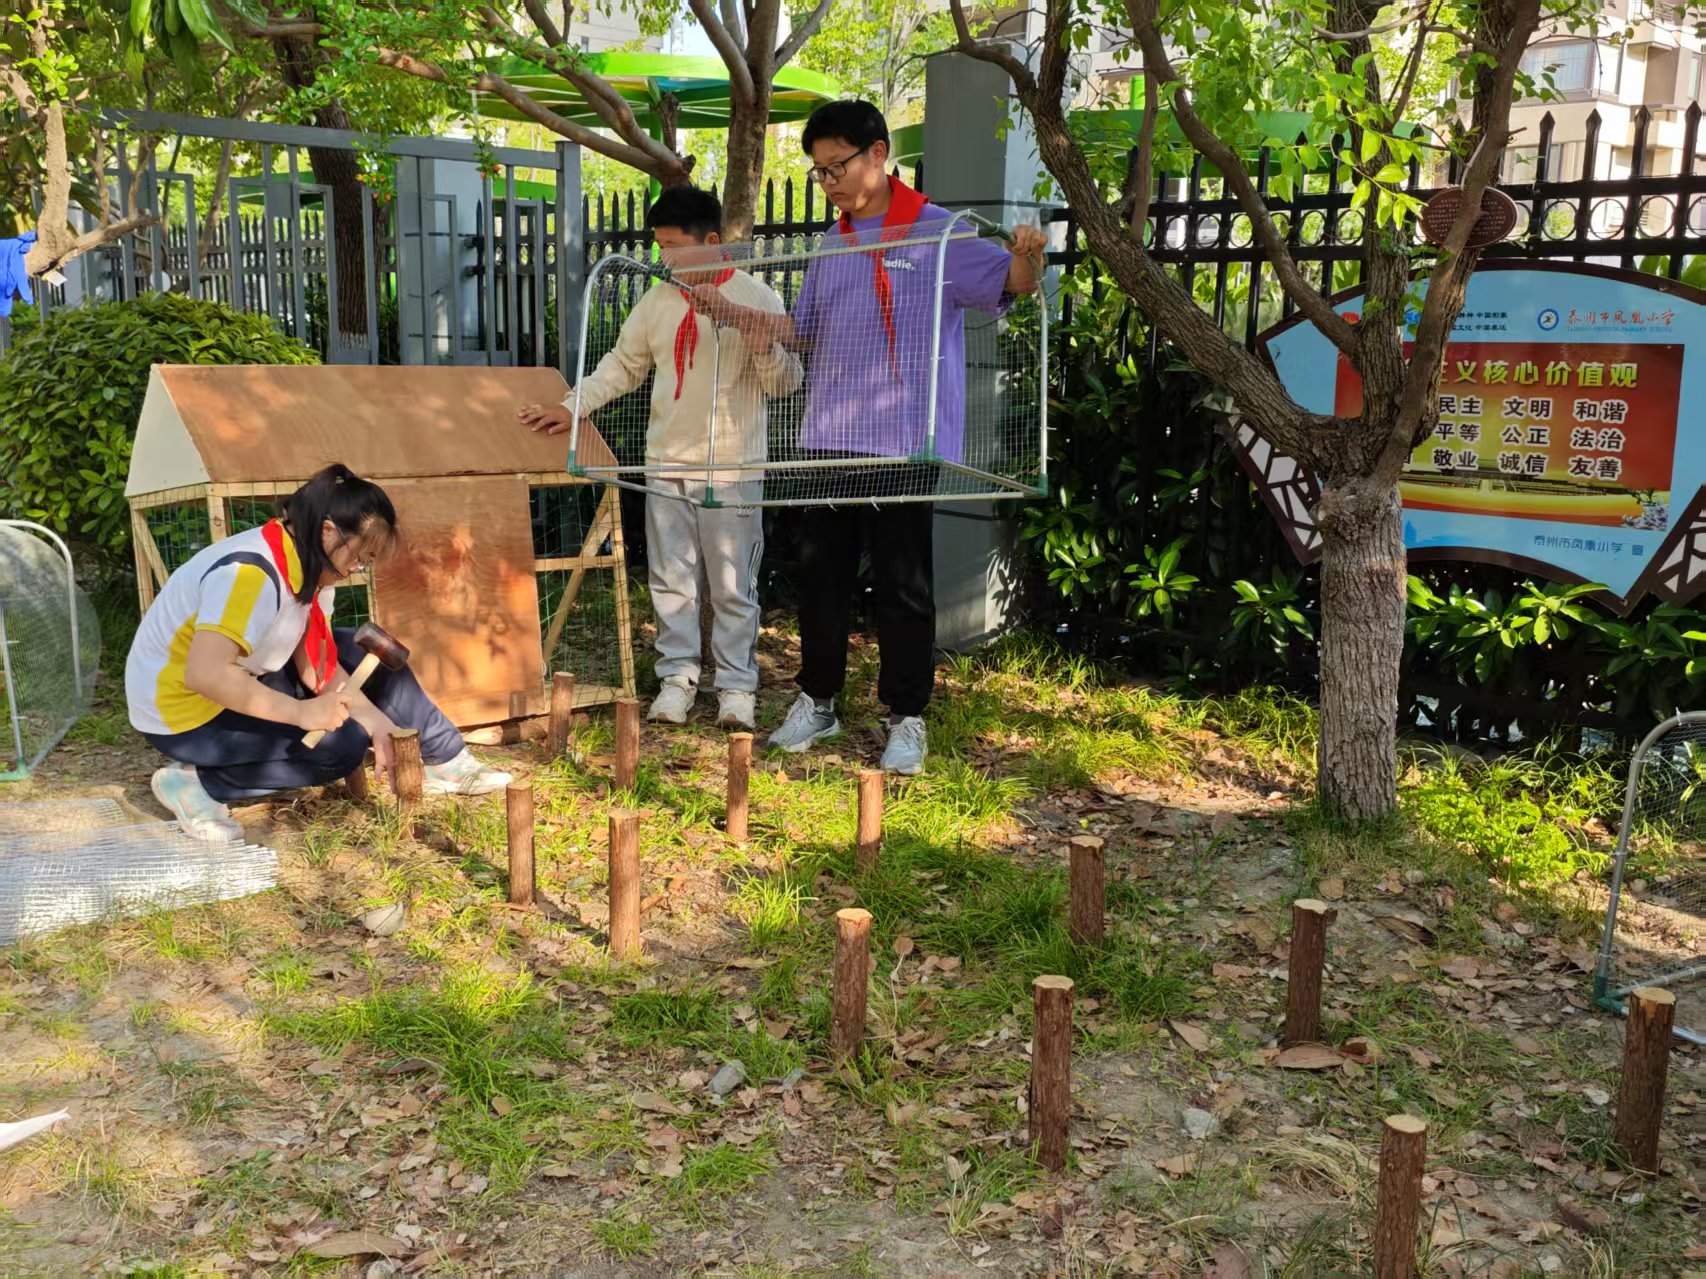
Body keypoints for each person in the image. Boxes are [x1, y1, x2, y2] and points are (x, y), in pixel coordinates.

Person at [690, 99, 1046, 774]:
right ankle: (817, 700)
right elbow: (805, 332)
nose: (830, 182)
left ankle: (907, 717)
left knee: (903, 584)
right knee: (821, 578)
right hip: (829, 435)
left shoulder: (939, 231)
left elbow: (1015, 282)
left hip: (906, 440)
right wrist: (736, 313)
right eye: (820, 172)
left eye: (838, 167)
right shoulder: (833, 242)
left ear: (879, 153)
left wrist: (1029, 254)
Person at [519, 185, 801, 731]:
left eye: (672, 246)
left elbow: (785, 383)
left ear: (712, 242)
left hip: (734, 468)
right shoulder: (656, 301)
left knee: (732, 585)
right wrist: (571, 407)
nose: (663, 258)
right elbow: (622, 366)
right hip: (665, 464)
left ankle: (736, 686)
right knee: (671, 578)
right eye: (659, 247)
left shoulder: (757, 296)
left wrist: (759, 340)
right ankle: (677, 679)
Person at [126, 464, 511, 840]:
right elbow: (206, 674)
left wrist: (379, 724)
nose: (358, 568)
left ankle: (444, 759)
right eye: (359, 556)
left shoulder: (310, 567)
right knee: (338, 747)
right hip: (182, 712)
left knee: (357, 654)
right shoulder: (249, 574)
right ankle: (197, 785)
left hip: (240, 675)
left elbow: (318, 661)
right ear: (327, 531)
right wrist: (301, 712)